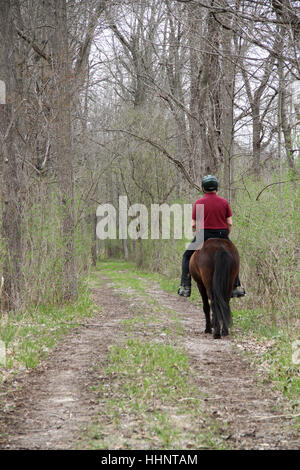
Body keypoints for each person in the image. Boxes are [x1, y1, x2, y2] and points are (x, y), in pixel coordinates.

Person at [178, 175, 245, 298]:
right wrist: (226, 235)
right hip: (222, 234)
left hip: (203, 234)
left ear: (203, 188)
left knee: (186, 256)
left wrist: (198, 234)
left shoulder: (199, 203)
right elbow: (229, 223)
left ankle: (185, 286)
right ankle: (236, 286)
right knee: (234, 255)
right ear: (216, 187)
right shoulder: (224, 202)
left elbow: (193, 225)